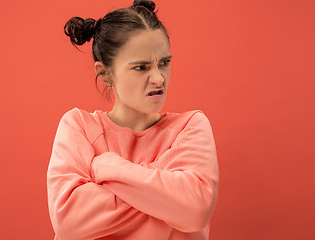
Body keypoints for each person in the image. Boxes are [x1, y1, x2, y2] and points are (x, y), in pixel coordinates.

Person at [47, 0, 219, 239]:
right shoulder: (78, 127)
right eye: (141, 67)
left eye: (164, 63)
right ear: (105, 73)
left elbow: (195, 209)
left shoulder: (190, 127)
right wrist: (167, 196)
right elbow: (68, 221)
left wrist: (107, 166)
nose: (159, 78)